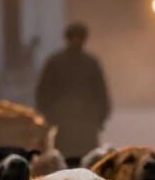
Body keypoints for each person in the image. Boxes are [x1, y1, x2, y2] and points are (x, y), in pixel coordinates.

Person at [34, 22, 112, 167]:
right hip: (67, 123)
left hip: (83, 123)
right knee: (71, 163)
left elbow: (101, 92)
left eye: (79, 37)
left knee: (86, 163)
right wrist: (50, 116)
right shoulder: (59, 62)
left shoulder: (88, 62)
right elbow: (44, 91)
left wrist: (101, 117)